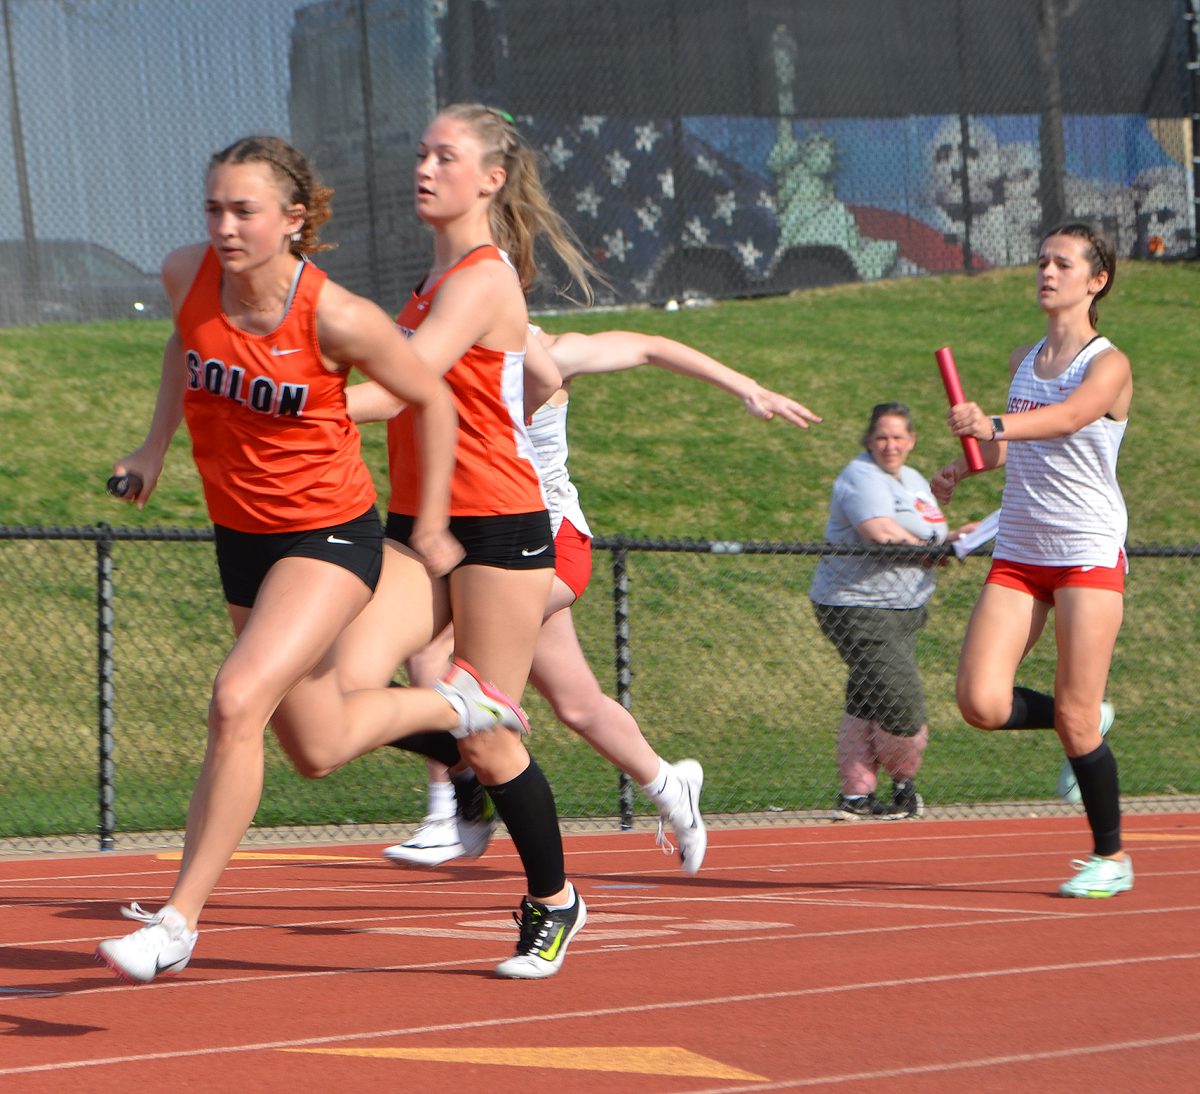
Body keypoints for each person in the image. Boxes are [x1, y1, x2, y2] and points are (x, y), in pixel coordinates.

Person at [96, 135, 468, 983]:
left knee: (236, 700)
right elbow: (184, 348)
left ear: (293, 220)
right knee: (316, 744)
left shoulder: (335, 315)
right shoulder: (186, 273)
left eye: (244, 211)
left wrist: (437, 522)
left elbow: (430, 396)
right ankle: (453, 711)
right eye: (214, 209)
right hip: (244, 540)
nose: (224, 228)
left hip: (329, 536)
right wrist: (154, 446)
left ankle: (177, 923)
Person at [367, 327, 821, 873]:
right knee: (577, 704)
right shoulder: (438, 350)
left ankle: (452, 808)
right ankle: (669, 783)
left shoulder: (547, 353)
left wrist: (747, 386)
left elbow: (651, 347)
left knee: (432, 644)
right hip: (485, 547)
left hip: (552, 543)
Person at [323, 103, 605, 978]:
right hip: (421, 523)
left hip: (501, 527)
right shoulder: (425, 284)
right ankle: (467, 746)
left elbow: (405, 385)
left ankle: (553, 902)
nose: (425, 167)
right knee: (332, 696)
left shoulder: (483, 280)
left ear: (490, 178)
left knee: (490, 731)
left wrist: (295, 407)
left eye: (447, 156)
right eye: (421, 153)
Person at [933, 221, 1133, 899]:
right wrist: (968, 464)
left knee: (1076, 718)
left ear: (1095, 280)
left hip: (1084, 552)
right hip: (1021, 549)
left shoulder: (1107, 364)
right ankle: (1082, 716)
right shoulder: (1026, 357)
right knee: (980, 702)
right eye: (1042, 261)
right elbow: (1022, 444)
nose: (1047, 272)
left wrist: (995, 424)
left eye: (1063, 263)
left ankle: (1111, 856)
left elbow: (1071, 418)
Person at [810, 402, 976, 821]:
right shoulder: (860, 476)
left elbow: (925, 532)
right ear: (869, 440)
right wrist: (931, 552)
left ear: (912, 440)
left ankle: (856, 797)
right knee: (902, 702)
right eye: (882, 437)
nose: (890, 445)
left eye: (899, 437)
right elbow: (880, 532)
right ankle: (904, 786)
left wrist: (955, 537)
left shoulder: (914, 480)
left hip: (905, 609)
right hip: (858, 605)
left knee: (866, 697)